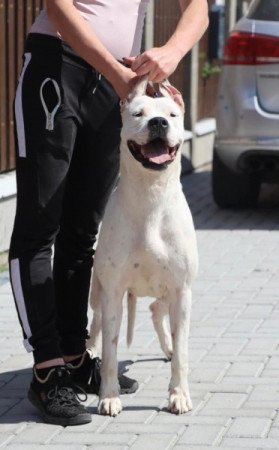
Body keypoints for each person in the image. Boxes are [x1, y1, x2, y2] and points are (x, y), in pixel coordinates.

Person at [9, 0, 208, 426]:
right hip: (58, 65)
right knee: (39, 226)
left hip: (118, 83)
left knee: (83, 230)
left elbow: (198, 8)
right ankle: (47, 370)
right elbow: (58, 7)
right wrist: (118, 75)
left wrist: (171, 52)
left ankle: (75, 356)